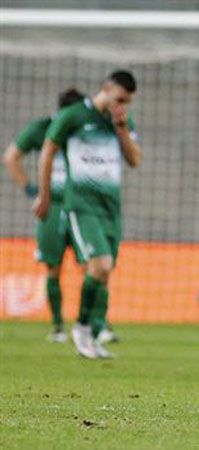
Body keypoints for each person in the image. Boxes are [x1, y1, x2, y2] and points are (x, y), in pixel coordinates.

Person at [33, 70, 142, 359]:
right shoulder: (73, 116)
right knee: (100, 264)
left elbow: (135, 159)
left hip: (111, 209)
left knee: (105, 272)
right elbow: (47, 152)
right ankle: (81, 327)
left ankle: (94, 337)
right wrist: (44, 195)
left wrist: (121, 128)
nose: (122, 106)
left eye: (127, 102)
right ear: (106, 88)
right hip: (82, 205)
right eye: (119, 99)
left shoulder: (121, 121)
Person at [4, 88, 84, 343]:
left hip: (81, 205)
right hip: (52, 205)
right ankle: (58, 326)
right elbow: (11, 157)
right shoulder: (43, 128)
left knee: (91, 267)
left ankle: (92, 324)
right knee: (53, 267)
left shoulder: (84, 132)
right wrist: (31, 189)